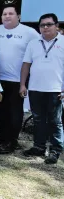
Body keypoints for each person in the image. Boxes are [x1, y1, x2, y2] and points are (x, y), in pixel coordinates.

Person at [0, 4, 39, 154]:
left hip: (18, 79)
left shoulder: (29, 33)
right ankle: (3, 136)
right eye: (4, 14)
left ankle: (12, 141)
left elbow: (37, 50)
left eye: (11, 13)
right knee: (1, 109)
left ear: (18, 16)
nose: (7, 16)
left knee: (15, 111)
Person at [20, 13, 64, 164]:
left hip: (56, 89)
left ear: (56, 25)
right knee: (38, 120)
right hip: (35, 88)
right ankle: (38, 147)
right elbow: (26, 64)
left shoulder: (63, 42)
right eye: (42, 25)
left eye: (49, 24)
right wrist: (22, 84)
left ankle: (55, 150)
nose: (45, 27)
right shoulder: (33, 43)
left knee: (55, 121)